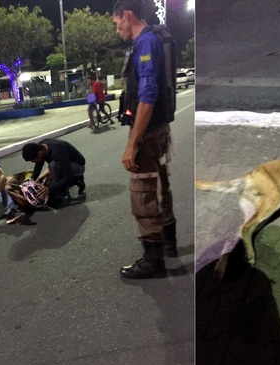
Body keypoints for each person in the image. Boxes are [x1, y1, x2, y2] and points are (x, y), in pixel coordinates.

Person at [112, 0, 178, 279]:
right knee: (161, 183)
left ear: (127, 16)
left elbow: (147, 96)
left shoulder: (145, 43)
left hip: (148, 133)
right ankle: (169, 243)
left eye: (117, 24)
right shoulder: (154, 39)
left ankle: (153, 260)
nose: (118, 31)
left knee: (143, 193)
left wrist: (132, 143)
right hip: (158, 129)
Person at [21, 138, 86, 206]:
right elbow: (39, 164)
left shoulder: (58, 153)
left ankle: (64, 194)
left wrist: (49, 189)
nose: (35, 163)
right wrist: (32, 180)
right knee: (54, 168)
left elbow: (68, 176)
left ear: (39, 154)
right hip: (65, 165)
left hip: (77, 166)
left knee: (53, 166)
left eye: (34, 161)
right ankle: (76, 180)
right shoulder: (41, 147)